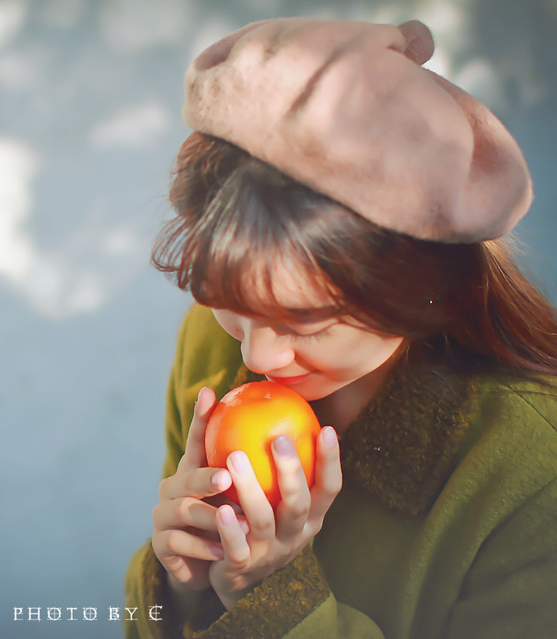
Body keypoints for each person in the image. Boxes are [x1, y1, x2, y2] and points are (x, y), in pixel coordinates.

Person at [124, 16, 557, 639]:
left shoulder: (529, 472)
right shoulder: (208, 346)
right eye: (228, 301)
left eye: (307, 321)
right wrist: (180, 589)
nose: (259, 352)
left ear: (421, 286)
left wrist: (274, 599)